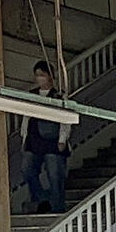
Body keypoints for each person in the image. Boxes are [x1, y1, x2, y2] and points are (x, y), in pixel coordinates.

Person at [19, 62, 70, 213]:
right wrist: (24, 137)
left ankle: (57, 206)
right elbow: (26, 117)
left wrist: (63, 139)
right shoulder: (32, 95)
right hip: (34, 138)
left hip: (53, 139)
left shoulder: (59, 96)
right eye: (37, 75)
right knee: (27, 169)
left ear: (50, 76)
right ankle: (40, 197)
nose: (40, 78)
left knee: (55, 174)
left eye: (42, 74)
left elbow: (65, 119)